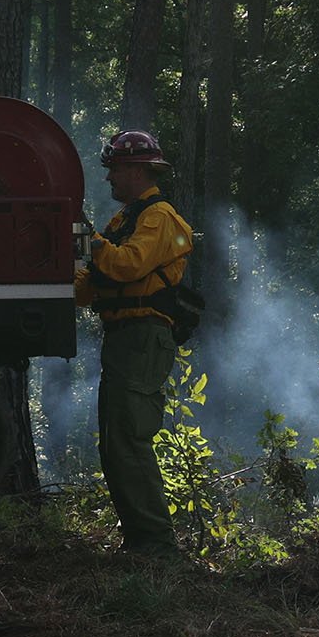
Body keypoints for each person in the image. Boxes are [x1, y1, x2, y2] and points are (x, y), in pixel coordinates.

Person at [76, 129, 198, 558]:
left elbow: (127, 266)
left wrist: (89, 242)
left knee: (129, 439)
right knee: (115, 443)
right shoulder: (123, 221)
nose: (108, 179)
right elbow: (88, 287)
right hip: (124, 338)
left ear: (136, 170)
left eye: (114, 171)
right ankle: (141, 541)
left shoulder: (160, 218)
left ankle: (157, 547)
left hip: (145, 337)